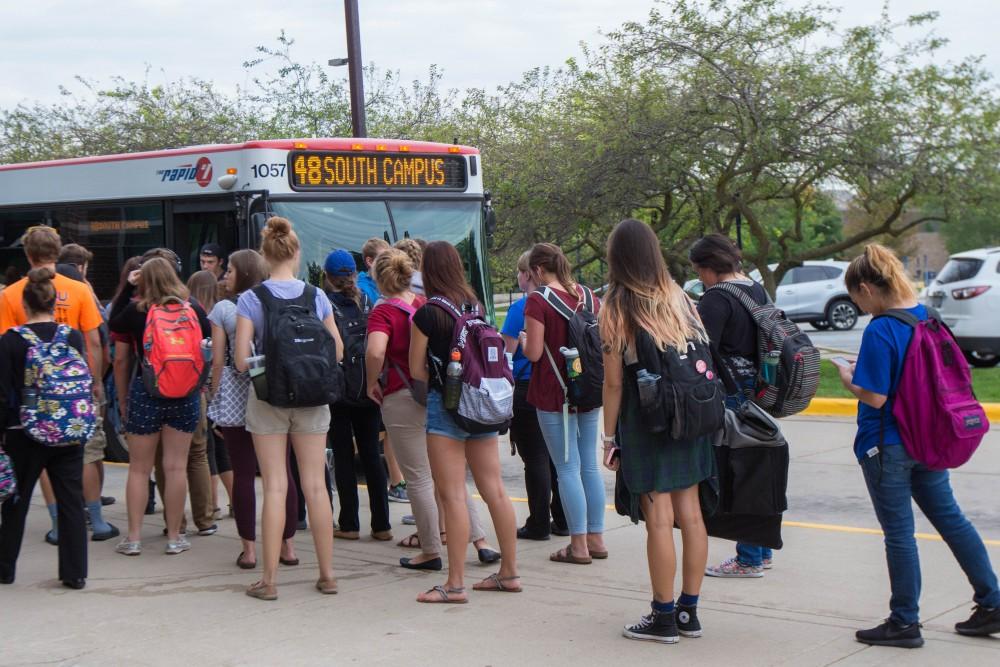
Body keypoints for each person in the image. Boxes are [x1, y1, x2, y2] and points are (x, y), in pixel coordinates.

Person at [837, 244, 1000, 647]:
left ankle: (904, 621)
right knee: (952, 520)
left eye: (856, 297)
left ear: (867, 289)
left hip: (887, 443)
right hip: (928, 438)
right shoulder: (928, 318)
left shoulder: (881, 327)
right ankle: (993, 601)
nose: (858, 305)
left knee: (899, 534)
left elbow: (874, 396)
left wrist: (847, 378)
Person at [600, 219, 715, 643]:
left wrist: (609, 438)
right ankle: (689, 612)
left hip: (648, 422)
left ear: (617, 257)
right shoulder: (681, 298)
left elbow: (613, 383)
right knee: (692, 514)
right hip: (693, 415)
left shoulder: (616, 306)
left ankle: (662, 615)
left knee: (659, 521)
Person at [365, 249, 497, 576]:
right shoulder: (424, 305)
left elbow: (376, 349)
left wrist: (370, 382)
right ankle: (479, 540)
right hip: (437, 395)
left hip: (401, 393)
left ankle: (430, 549)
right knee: (450, 476)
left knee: (419, 477)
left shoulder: (382, 311)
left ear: (379, 278)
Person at [234, 216, 341, 600]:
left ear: (265, 256)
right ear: (296, 253)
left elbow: (240, 361)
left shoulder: (250, 299)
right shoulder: (316, 295)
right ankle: (327, 575)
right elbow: (338, 349)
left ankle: (269, 581)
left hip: (268, 399)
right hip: (313, 400)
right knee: (315, 485)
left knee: (276, 486)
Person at [409, 241, 520, 603]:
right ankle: (509, 572)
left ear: (428, 270)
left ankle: (455, 584)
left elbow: (415, 369)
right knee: (495, 490)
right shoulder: (477, 307)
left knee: (453, 494)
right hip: (484, 404)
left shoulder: (428, 313)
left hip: (447, 407)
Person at [0, 228, 106, 544]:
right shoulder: (79, 290)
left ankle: (55, 523)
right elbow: (94, 341)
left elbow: (5, 344)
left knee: (32, 465)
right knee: (80, 454)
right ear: (58, 253)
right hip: (72, 394)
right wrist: (94, 381)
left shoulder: (11, 294)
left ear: (28, 254)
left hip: (26, 399)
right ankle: (95, 521)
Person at [109, 256, 211, 556]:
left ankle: (134, 538)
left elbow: (113, 323)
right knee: (176, 466)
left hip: (147, 391)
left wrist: (129, 289)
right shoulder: (192, 308)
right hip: (186, 393)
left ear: (145, 281)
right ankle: (175, 537)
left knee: (139, 469)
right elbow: (208, 343)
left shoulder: (137, 311)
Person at [208, 249, 300, 569]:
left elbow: (219, 362)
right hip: (274, 395)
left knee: (244, 474)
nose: (225, 276)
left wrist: (212, 399)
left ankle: (249, 550)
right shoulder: (274, 301)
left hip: (235, 400)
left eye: (230, 271)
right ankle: (287, 545)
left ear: (243, 273)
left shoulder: (224, 308)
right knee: (282, 473)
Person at [689, 233, 774, 578]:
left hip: (729, 392)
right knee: (754, 469)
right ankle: (762, 548)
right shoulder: (755, 288)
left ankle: (748, 558)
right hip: (758, 388)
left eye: (699, 271)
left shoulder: (716, 299)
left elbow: (700, 347)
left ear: (709, 267)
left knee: (734, 474)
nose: (700, 278)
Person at [0, 268, 90, 589]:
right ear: (55, 304)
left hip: (23, 431)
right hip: (69, 427)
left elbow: (3, 393)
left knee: (16, 500)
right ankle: (75, 572)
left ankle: (6, 568)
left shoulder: (10, 341)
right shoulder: (72, 337)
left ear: (24, 305)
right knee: (70, 500)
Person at [521, 242, 607, 564]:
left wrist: (526, 340)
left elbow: (534, 353)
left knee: (566, 468)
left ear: (539, 271)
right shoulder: (588, 296)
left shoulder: (538, 301)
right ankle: (596, 539)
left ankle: (579, 545)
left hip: (553, 393)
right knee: (588, 466)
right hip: (588, 390)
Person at [323, 249, 392, 542]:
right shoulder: (370, 302)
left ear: (327, 277)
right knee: (372, 457)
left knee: (343, 456)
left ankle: (349, 523)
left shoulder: (324, 305)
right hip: (369, 388)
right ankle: (382, 525)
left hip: (339, 392)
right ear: (354, 274)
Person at [501, 250, 567, 540]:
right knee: (557, 458)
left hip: (527, 386)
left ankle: (539, 521)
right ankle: (564, 519)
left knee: (535, 458)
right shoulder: (567, 300)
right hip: (559, 386)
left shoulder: (522, 308)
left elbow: (506, 354)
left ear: (528, 274)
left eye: (518, 272)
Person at [188, 270, 233, 523]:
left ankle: (212, 505)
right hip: (224, 388)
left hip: (202, 389)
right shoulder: (224, 314)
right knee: (223, 450)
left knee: (204, 453)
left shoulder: (194, 317)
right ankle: (235, 501)